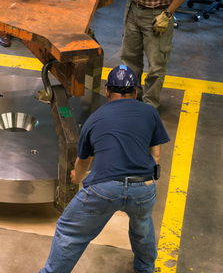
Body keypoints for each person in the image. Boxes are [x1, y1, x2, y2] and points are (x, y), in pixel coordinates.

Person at [40, 65, 170, 273]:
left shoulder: (95, 118)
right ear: (135, 93)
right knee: (142, 227)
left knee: (69, 231)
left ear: (107, 92)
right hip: (143, 187)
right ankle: (146, 269)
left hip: (105, 189)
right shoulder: (149, 111)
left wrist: (76, 178)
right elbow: (156, 155)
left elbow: (83, 163)